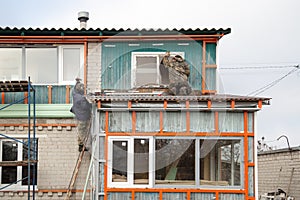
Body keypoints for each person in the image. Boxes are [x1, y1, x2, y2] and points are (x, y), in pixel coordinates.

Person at [70, 78, 92, 151]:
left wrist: (77, 82)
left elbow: (74, 89)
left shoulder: (74, 93)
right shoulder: (81, 98)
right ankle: (81, 145)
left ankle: (81, 144)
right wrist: (90, 105)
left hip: (78, 115)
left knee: (81, 130)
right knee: (82, 130)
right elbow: (85, 107)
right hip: (82, 117)